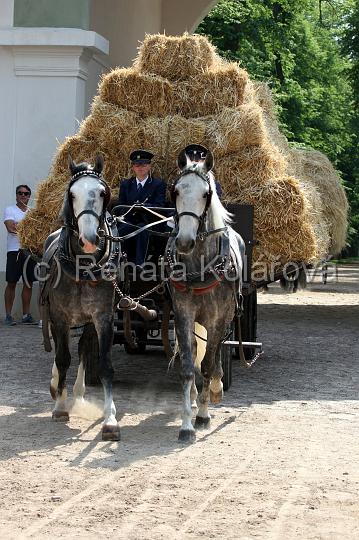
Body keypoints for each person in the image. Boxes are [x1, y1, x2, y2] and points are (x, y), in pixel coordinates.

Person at [117, 150, 166, 266]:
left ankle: (139, 264)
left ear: (149, 166)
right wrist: (131, 209)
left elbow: (160, 205)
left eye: (144, 164)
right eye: (137, 165)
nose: (140, 168)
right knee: (118, 232)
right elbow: (120, 206)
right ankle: (118, 262)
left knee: (142, 230)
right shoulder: (126, 184)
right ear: (133, 167)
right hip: (129, 220)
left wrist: (144, 207)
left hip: (148, 222)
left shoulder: (158, 184)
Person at [3, 185, 37, 325]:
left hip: (30, 251)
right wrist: (28, 229)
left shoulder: (33, 213)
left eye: (26, 193)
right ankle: (8, 315)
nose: (23, 195)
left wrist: (20, 226)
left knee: (28, 284)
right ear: (16, 195)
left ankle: (26, 315)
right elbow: (10, 228)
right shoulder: (10, 209)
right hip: (14, 250)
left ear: (29, 196)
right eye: (20, 193)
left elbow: (38, 232)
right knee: (11, 282)